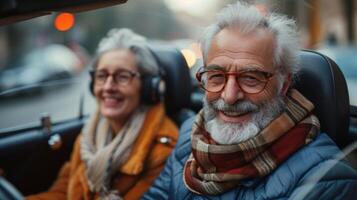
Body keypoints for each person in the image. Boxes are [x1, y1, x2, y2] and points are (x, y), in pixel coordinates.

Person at [143, 1, 357, 199]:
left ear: (283, 85)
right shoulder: (189, 134)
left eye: (250, 78)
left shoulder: (325, 178)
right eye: (216, 76)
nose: (229, 96)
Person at [27, 28, 178, 200]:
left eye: (122, 77)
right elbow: (61, 193)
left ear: (148, 86)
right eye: (101, 75)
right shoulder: (89, 135)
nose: (107, 87)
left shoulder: (163, 149)